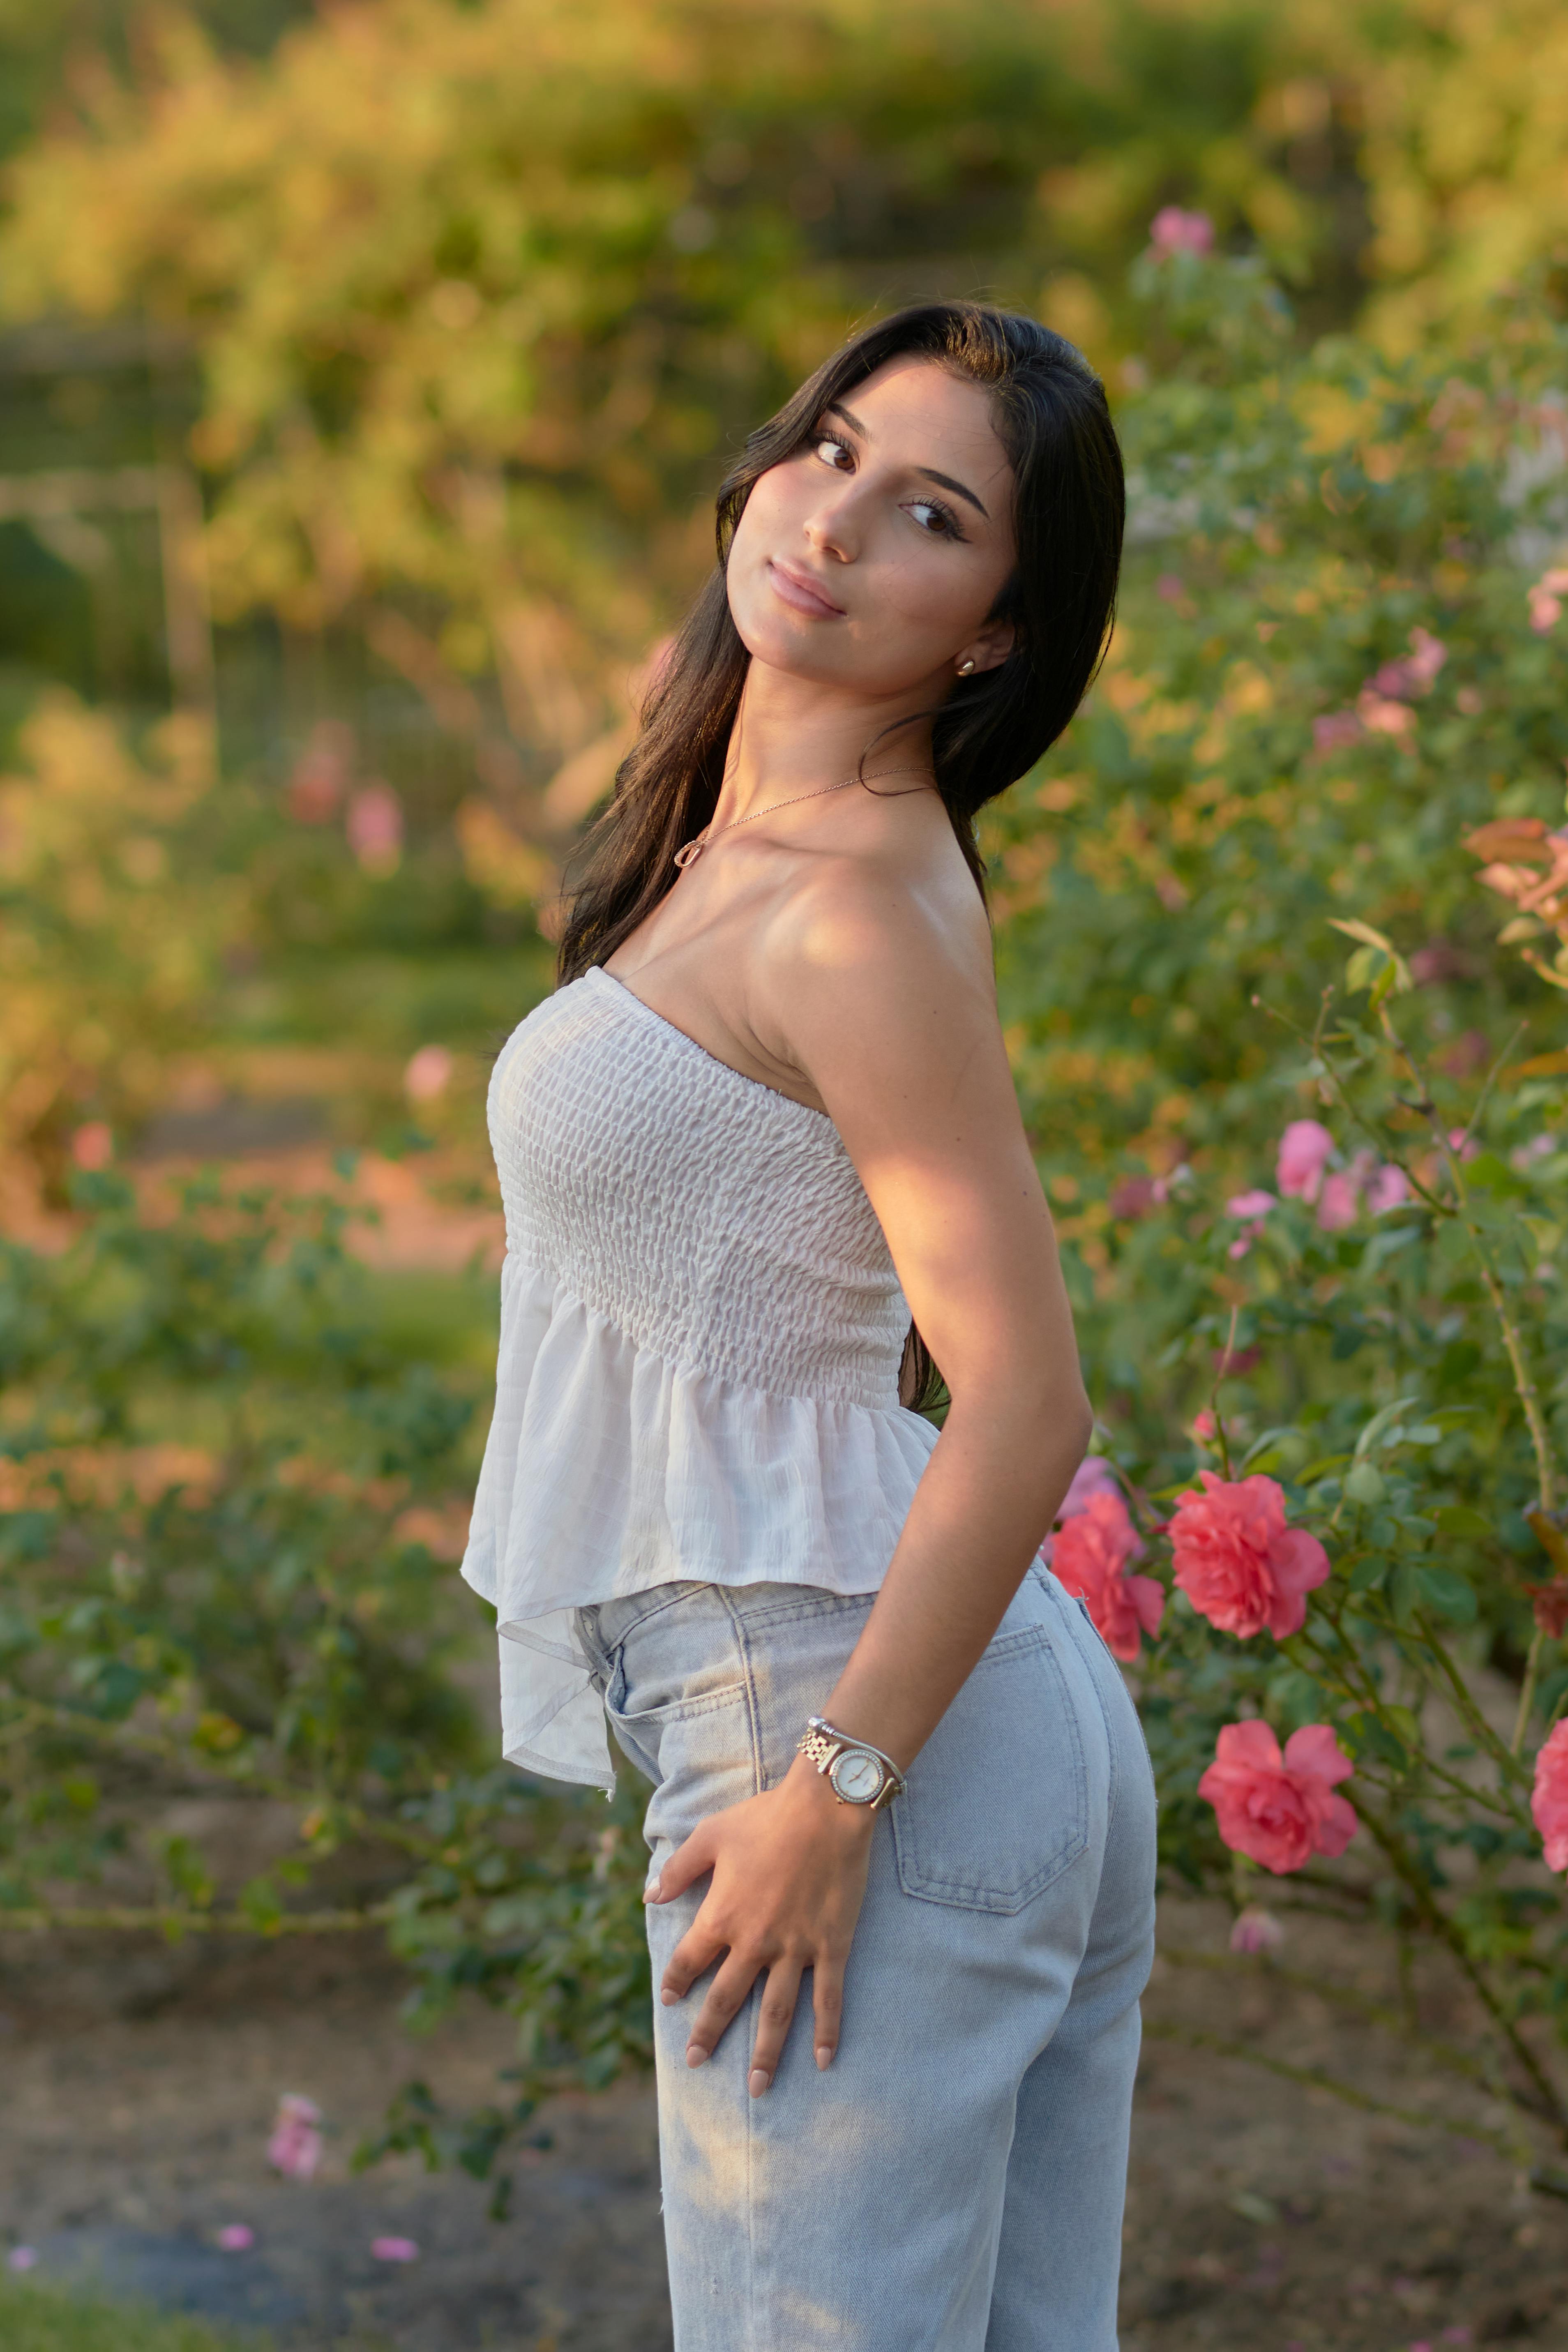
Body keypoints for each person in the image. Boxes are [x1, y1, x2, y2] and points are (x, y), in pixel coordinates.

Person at [461, 300, 1155, 2350]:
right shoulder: (752, 854)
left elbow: (1026, 1404)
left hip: (834, 1709)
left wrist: (833, 1790)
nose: (833, 519)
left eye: (928, 510)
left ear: (997, 633)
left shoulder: (851, 908)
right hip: (918, 1706)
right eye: (832, 447)